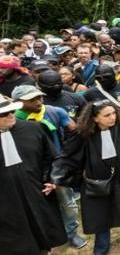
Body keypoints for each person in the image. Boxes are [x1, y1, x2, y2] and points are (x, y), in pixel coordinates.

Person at [55, 100, 120, 254]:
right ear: (95, 118)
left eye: (114, 113)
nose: (112, 117)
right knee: (100, 212)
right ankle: (101, 246)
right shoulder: (83, 134)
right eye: (107, 115)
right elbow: (69, 157)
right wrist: (57, 178)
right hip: (96, 179)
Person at [12, 84, 86, 249]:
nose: (39, 102)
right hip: (30, 171)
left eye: (39, 97)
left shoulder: (54, 112)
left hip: (56, 167)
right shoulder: (12, 121)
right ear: (17, 102)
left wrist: (67, 154)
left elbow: (74, 131)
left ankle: (71, 233)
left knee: (67, 203)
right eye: (32, 100)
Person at [0, 96, 67, 254]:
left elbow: (52, 158)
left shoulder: (35, 128)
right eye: (3, 114)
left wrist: (53, 179)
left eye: (11, 111)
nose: (10, 115)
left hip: (37, 192)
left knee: (43, 231)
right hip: (5, 200)